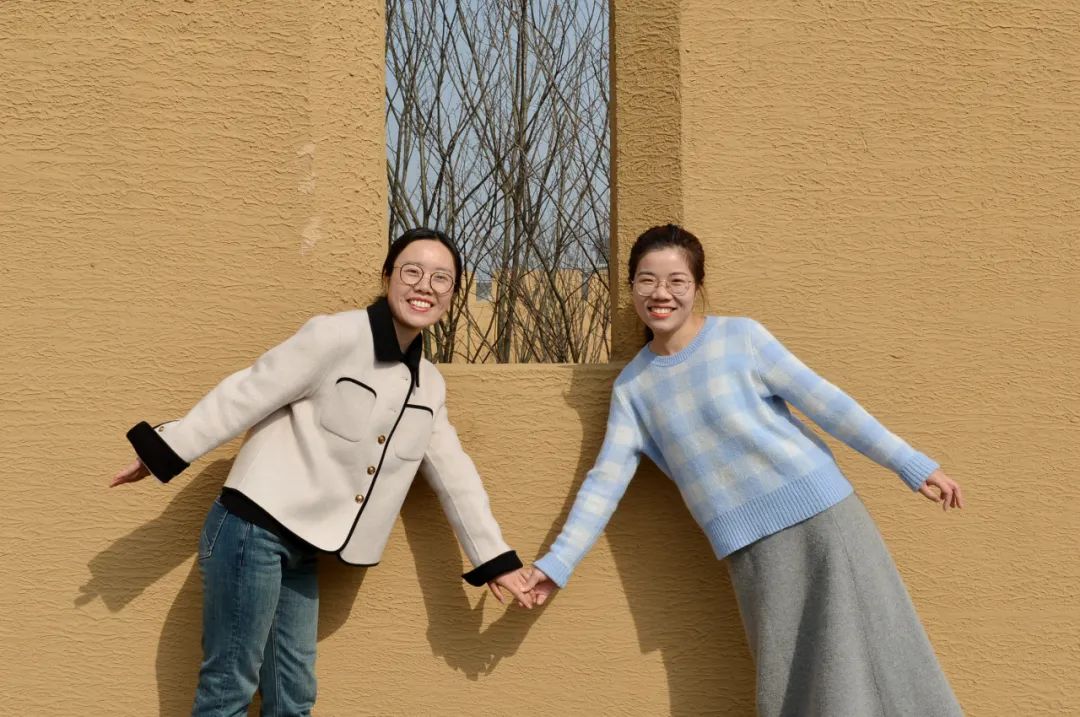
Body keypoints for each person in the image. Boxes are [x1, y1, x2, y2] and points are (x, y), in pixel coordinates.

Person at [524, 224, 964, 716]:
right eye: (647, 280)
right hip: (751, 552)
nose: (661, 294)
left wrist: (910, 464)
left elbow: (827, 404)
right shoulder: (633, 389)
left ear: (697, 286)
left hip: (825, 522)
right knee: (794, 681)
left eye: (676, 281)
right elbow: (604, 483)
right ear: (630, 288)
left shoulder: (741, 338)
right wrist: (556, 565)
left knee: (883, 655)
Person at [111, 227, 533, 716]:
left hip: (307, 546)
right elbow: (249, 392)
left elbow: (455, 475)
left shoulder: (429, 386)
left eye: (442, 279)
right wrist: (166, 450)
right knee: (229, 690)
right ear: (387, 277)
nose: (425, 286)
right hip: (252, 529)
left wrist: (495, 559)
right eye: (412, 271)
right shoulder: (335, 336)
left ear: (453, 294)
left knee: (294, 699)